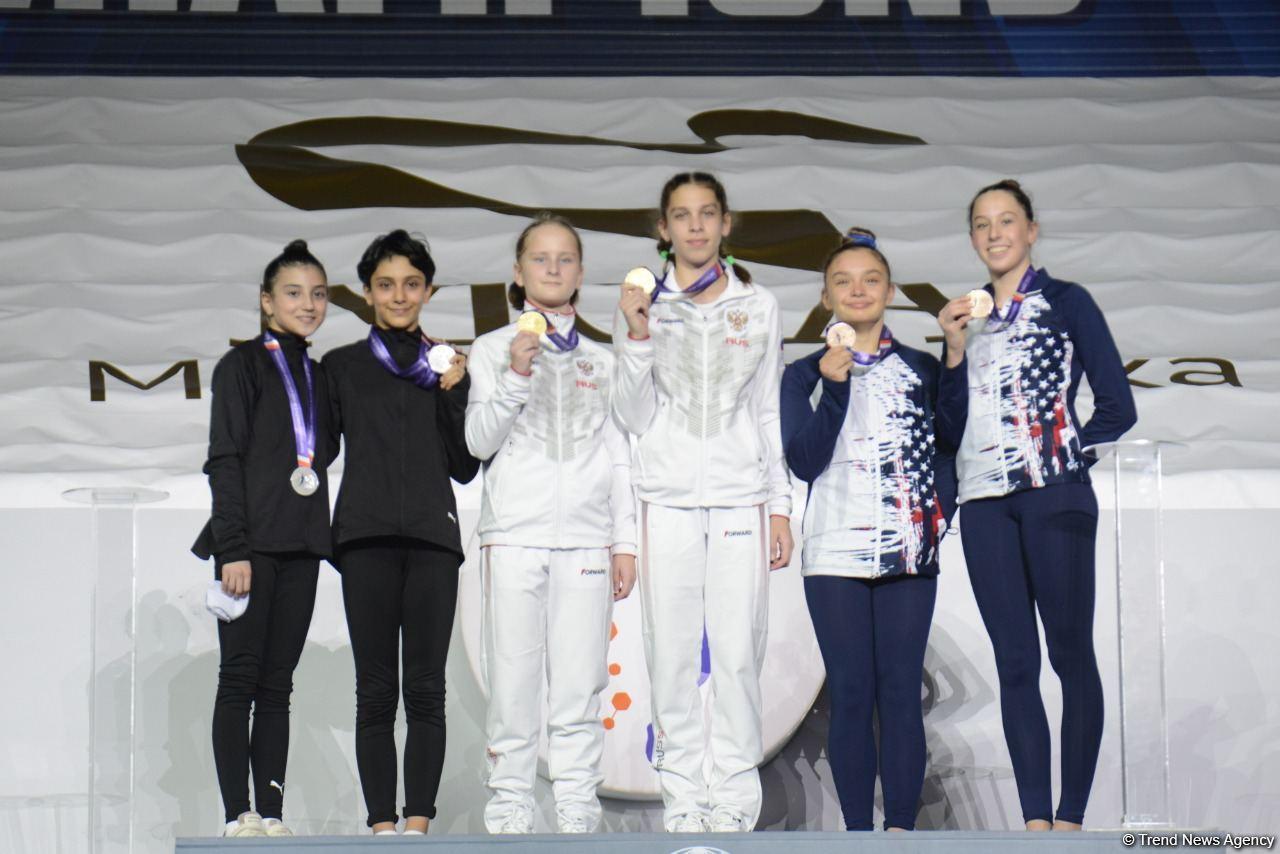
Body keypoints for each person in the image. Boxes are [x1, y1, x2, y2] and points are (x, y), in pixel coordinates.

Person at [935, 179, 1137, 830]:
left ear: (1031, 230)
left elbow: (1117, 405)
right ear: (972, 238)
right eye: (982, 224)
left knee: (1069, 654)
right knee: (1015, 664)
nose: (994, 233)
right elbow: (947, 423)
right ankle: (1034, 826)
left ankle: (1072, 818)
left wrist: (1068, 454)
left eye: (1007, 221)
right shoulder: (963, 315)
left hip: (1054, 497)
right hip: (986, 506)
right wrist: (954, 351)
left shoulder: (1066, 302)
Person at [612, 171, 793, 833]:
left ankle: (735, 804)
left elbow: (768, 408)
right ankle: (684, 799)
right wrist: (634, 334)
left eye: (707, 214)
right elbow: (629, 415)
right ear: (663, 229)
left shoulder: (759, 304)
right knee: (673, 655)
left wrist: (779, 504)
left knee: (740, 652)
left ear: (725, 224)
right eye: (681, 216)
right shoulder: (642, 303)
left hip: (741, 496)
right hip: (666, 499)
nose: (694, 227)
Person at [465, 212, 638, 834]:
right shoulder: (489, 349)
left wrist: (625, 540)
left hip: (588, 541)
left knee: (579, 682)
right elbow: (479, 442)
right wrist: (515, 372)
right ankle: (508, 808)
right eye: (540, 259)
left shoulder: (603, 359)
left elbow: (619, 453)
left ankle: (576, 809)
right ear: (518, 272)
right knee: (512, 683)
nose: (554, 269)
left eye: (565, 259)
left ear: (581, 272)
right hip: (514, 534)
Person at [781, 228, 955, 832]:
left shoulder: (923, 369)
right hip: (832, 554)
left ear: (889, 291)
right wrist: (834, 387)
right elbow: (803, 461)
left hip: (909, 552)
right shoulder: (801, 375)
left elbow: (948, 453)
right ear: (826, 295)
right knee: (851, 694)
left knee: (901, 692)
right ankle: (857, 835)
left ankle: (901, 831)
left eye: (870, 279)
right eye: (843, 281)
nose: (858, 291)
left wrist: (938, 518)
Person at [321, 229, 480, 836]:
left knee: (426, 690)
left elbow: (464, 467)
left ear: (429, 290)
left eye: (411, 284)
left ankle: (418, 828)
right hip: (364, 540)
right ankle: (380, 828)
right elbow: (315, 452)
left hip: (433, 541)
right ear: (366, 293)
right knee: (375, 691)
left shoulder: (447, 362)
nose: (399, 295)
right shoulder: (340, 367)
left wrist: (454, 394)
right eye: (385, 285)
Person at [193, 239, 331, 838]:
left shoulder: (322, 377)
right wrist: (233, 548)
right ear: (267, 302)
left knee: (279, 685)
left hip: (302, 548)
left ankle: (270, 814)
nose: (308, 304)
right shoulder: (241, 366)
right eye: (294, 293)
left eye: (319, 294)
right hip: (249, 550)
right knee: (239, 677)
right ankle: (234, 814)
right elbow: (224, 460)